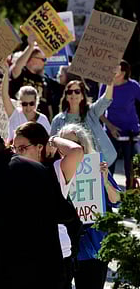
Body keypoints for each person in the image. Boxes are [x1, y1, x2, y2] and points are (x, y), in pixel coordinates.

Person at [0, 123, 77, 289]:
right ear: (3, 143)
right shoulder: (37, 168)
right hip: (50, 275)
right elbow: (66, 213)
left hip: (14, 278)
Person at [13, 122, 84, 289]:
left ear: (39, 147)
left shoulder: (55, 171)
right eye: (14, 148)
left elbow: (77, 151)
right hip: (24, 255)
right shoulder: (13, 171)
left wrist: (52, 140)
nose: (17, 153)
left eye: (22, 148)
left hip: (56, 254)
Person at [57, 124, 121, 289]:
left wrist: (105, 181)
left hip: (94, 245)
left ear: (83, 146)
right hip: (66, 248)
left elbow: (117, 200)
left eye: (73, 144)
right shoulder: (57, 170)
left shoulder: (97, 168)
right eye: (64, 144)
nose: (68, 149)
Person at [51, 80, 117, 167]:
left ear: (82, 96)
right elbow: (53, 145)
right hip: (73, 165)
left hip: (100, 163)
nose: (73, 94)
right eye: (70, 92)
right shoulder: (57, 120)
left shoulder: (91, 112)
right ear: (66, 97)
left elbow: (106, 99)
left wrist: (110, 82)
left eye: (77, 91)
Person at [99, 60, 140, 189]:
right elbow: (98, 110)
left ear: (122, 72)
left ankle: (131, 198)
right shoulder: (106, 85)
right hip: (111, 132)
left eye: (115, 68)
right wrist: (110, 127)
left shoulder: (133, 86)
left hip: (131, 132)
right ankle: (109, 196)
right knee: (108, 166)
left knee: (131, 169)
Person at [1, 62, 51, 142]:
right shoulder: (14, 114)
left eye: (31, 103)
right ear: (19, 102)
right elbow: (4, 95)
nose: (28, 107)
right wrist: (6, 73)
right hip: (16, 153)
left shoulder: (42, 119)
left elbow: (48, 141)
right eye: (24, 104)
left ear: (36, 102)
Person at [9, 34, 53, 120]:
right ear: (33, 59)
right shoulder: (22, 73)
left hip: (39, 123)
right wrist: (31, 46)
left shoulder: (44, 79)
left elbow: (48, 105)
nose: (45, 63)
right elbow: (16, 67)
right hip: (21, 119)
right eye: (43, 59)